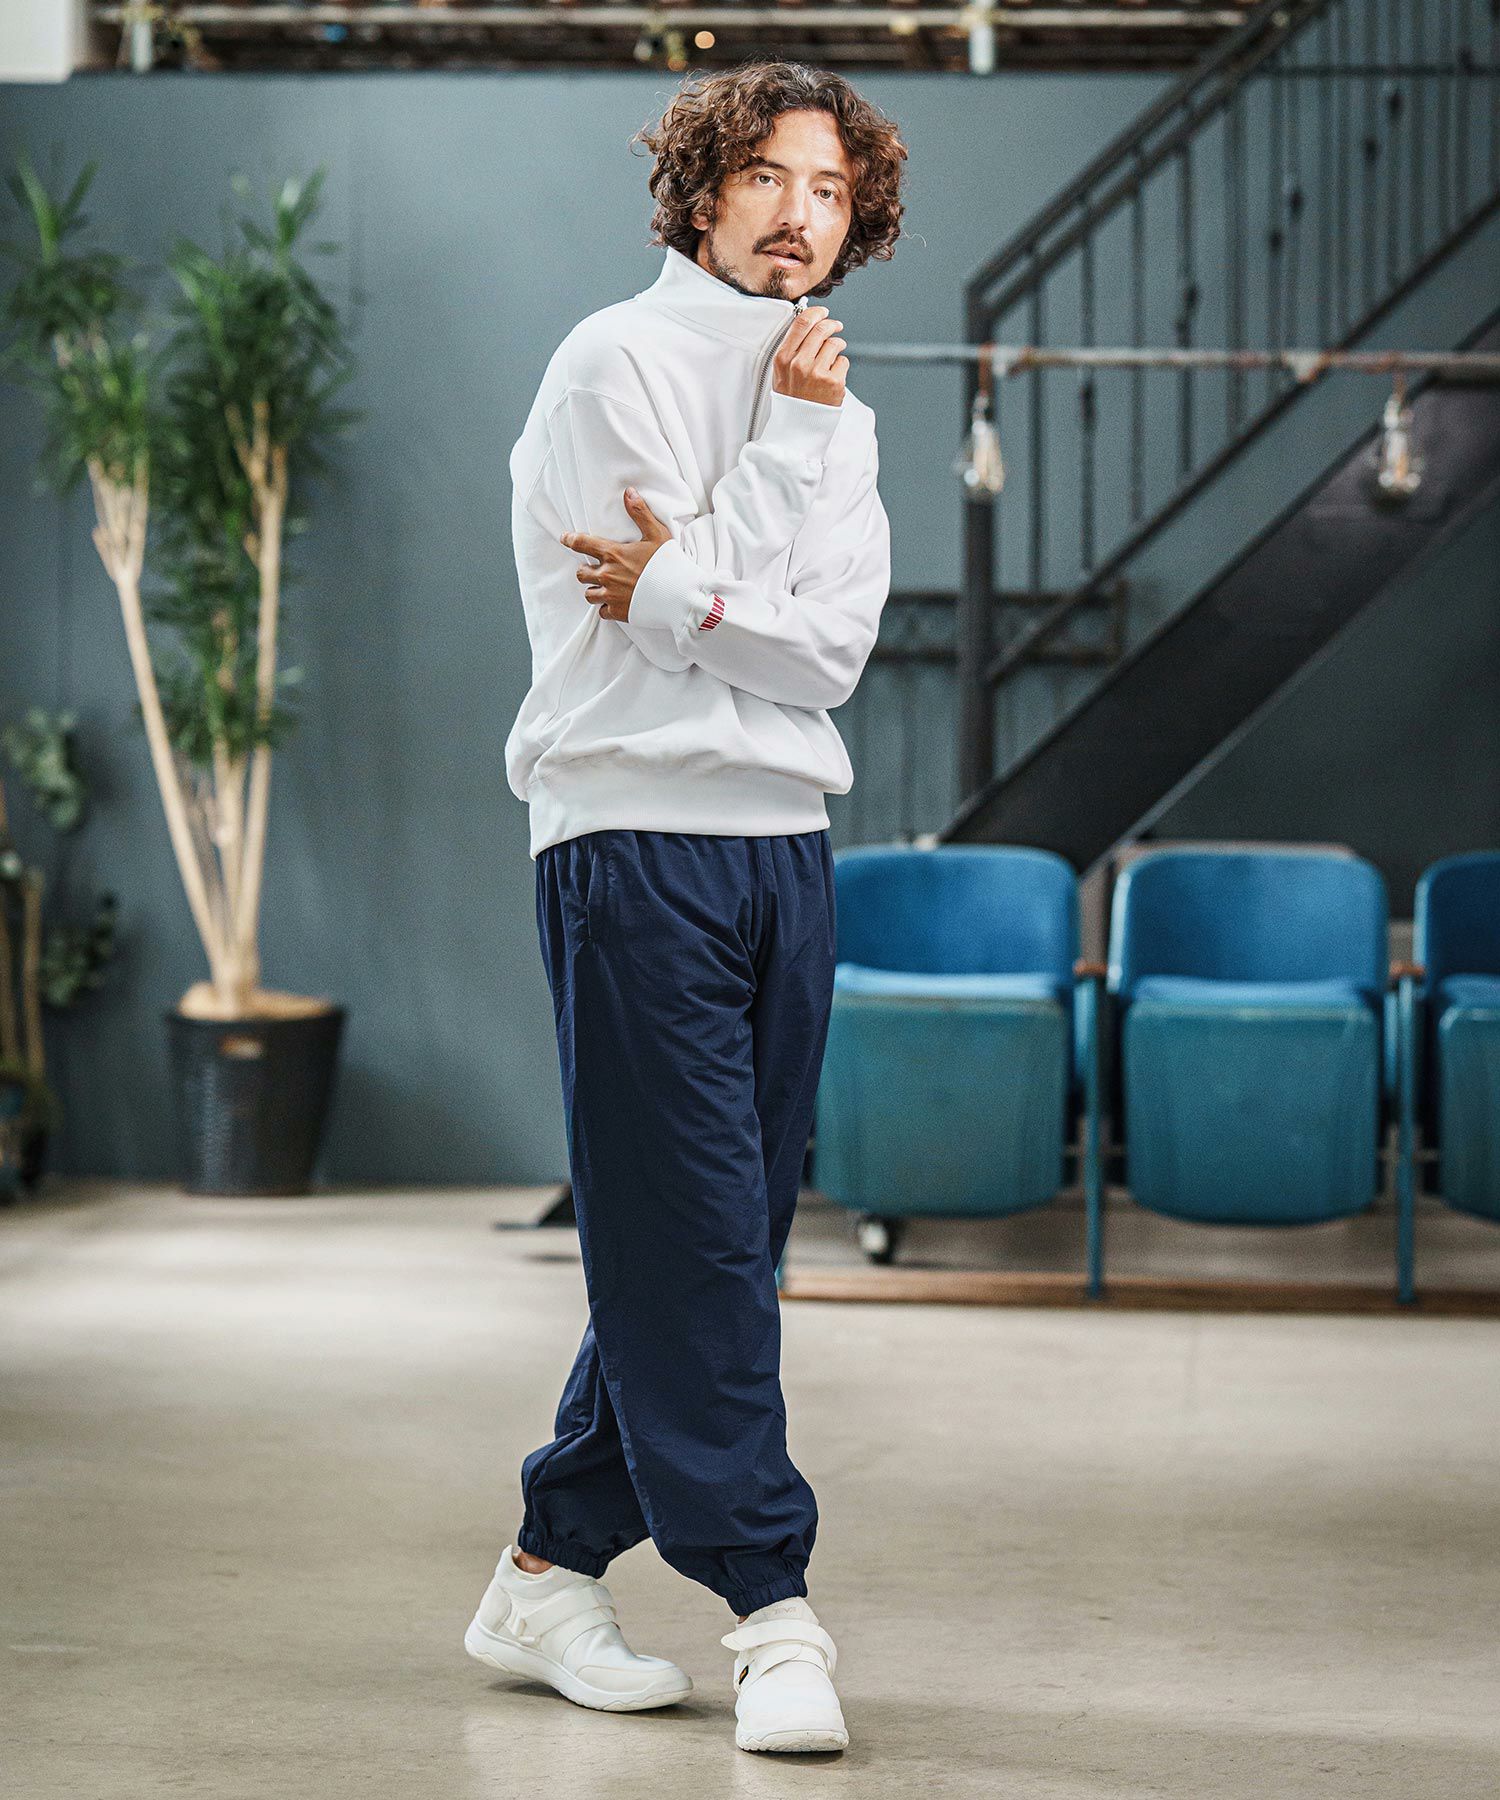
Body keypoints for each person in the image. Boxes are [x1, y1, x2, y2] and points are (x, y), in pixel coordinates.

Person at [466, 60, 907, 1755]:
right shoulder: (613, 363)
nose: (802, 216)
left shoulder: (840, 409)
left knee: (711, 1236)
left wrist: (693, 585)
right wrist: (762, 495)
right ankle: (771, 1605)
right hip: (631, 834)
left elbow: (829, 653)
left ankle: (544, 1569)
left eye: (831, 189)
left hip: (784, 844)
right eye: (771, 178)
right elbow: (662, 620)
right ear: (705, 191)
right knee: (703, 1239)